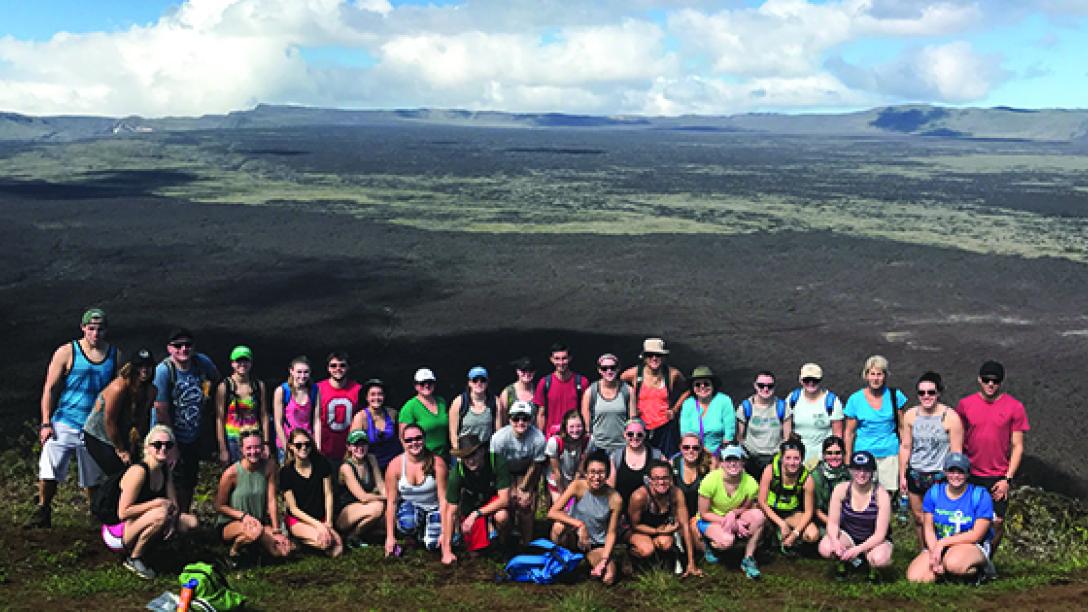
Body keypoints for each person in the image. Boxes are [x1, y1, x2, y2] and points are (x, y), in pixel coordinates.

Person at [29, 308, 118, 528]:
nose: (95, 334)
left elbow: (119, 391)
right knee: (50, 468)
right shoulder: (67, 352)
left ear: (106, 330)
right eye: (91, 329)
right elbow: (50, 387)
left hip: (94, 425)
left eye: (99, 329)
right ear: (83, 328)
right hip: (65, 421)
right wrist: (46, 422)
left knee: (92, 476)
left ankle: (96, 514)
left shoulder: (114, 354)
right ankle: (43, 509)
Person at [955, 360, 1028, 558]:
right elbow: (957, 438)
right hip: (970, 474)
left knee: (997, 522)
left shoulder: (1015, 407)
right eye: (986, 380)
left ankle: (987, 561)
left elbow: (1018, 446)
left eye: (995, 381)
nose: (990, 384)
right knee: (968, 520)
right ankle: (966, 560)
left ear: (1001, 383)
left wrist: (1007, 479)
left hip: (997, 476)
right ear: (979, 380)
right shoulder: (965, 405)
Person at [113, 425, 198, 579]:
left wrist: (172, 523)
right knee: (161, 514)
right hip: (118, 530)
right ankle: (134, 557)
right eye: (157, 445)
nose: (163, 449)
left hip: (142, 520)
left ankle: (157, 549)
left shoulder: (164, 469)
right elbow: (123, 512)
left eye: (168, 445)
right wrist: (156, 503)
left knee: (190, 522)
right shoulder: (139, 472)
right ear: (147, 448)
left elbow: (174, 504)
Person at [153, 328, 220, 514]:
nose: (183, 349)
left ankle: (183, 516)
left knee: (188, 479)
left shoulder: (202, 363)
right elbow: (161, 409)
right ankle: (164, 518)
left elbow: (217, 380)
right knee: (166, 479)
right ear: (169, 348)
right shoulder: (164, 371)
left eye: (188, 345)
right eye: (178, 346)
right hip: (167, 436)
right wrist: (170, 445)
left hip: (193, 432)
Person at [906, 452, 995, 584]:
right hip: (939, 544)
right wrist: (935, 550)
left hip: (970, 544)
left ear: (968, 474)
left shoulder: (980, 495)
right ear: (945, 472)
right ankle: (945, 575)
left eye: (960, 472)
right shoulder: (934, 493)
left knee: (954, 563)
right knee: (915, 578)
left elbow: (977, 534)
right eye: (951, 471)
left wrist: (943, 543)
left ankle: (978, 573)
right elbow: (929, 528)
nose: (956, 476)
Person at [898, 371, 964, 547]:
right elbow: (905, 446)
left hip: (939, 475)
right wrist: (902, 475)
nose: (926, 396)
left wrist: (954, 479)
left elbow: (956, 453)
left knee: (937, 519)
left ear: (938, 393)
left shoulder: (951, 418)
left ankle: (940, 551)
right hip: (915, 472)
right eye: (922, 393)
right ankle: (923, 552)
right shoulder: (911, 415)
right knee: (919, 518)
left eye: (931, 392)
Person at [215, 429, 293, 566]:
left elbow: (271, 500)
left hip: (259, 522)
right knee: (255, 531)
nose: (253, 452)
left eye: (257, 447)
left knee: (283, 551)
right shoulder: (231, 473)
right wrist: (243, 516)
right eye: (249, 448)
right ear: (242, 450)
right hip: (232, 523)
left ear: (263, 447)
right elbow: (219, 505)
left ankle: (253, 549)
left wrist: (276, 530)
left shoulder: (269, 466)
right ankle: (234, 551)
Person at [547, 450, 623, 585]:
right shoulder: (578, 486)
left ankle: (590, 563)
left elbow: (611, 532)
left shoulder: (615, 498)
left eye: (601, 472)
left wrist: (604, 559)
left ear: (607, 474)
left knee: (609, 578)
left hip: (595, 543)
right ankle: (560, 559)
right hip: (574, 535)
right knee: (558, 527)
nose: (596, 477)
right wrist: (580, 525)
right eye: (592, 472)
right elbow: (553, 512)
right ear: (586, 473)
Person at [383, 423, 454, 564]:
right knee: (408, 521)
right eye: (409, 440)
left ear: (424, 439)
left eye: (418, 438)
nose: (414, 443)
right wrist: (390, 537)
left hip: (434, 508)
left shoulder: (437, 463)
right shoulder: (395, 465)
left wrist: (446, 540)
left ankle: (426, 533)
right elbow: (391, 502)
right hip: (410, 509)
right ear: (402, 442)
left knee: (433, 545)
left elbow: (444, 501)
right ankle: (413, 535)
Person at [819, 450, 893, 582]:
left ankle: (873, 571)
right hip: (849, 535)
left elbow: (880, 535)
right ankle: (842, 564)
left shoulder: (881, 495)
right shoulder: (841, 489)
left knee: (879, 559)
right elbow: (833, 523)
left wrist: (858, 550)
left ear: (873, 472)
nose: (862, 474)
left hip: (874, 539)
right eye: (857, 469)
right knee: (826, 548)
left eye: (866, 470)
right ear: (850, 470)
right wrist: (836, 543)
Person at [83, 348, 156, 479]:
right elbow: (109, 421)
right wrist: (121, 450)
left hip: (123, 434)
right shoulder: (119, 387)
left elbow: (143, 418)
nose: (144, 370)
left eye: (148, 366)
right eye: (140, 366)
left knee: (136, 471)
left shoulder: (151, 391)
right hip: (99, 435)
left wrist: (138, 442)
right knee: (118, 475)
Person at [696, 445, 765, 579]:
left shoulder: (751, 483)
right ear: (721, 463)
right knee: (727, 541)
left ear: (742, 462)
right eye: (728, 460)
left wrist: (734, 513)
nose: (732, 464)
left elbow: (748, 507)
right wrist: (728, 522)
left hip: (734, 517)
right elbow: (704, 513)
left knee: (759, 515)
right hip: (711, 519)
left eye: (736, 460)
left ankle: (748, 558)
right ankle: (708, 544)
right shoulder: (709, 481)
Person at [843, 355, 907, 497]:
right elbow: (849, 432)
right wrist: (847, 458)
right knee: (863, 494)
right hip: (863, 453)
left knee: (888, 496)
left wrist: (905, 452)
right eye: (872, 374)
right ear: (866, 376)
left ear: (885, 376)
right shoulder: (855, 400)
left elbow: (903, 427)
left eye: (880, 374)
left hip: (890, 453)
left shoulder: (895, 396)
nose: (876, 378)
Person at [626, 460, 701, 577]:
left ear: (671, 478)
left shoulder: (676, 493)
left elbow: (685, 526)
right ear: (649, 480)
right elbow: (634, 525)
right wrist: (657, 531)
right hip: (639, 531)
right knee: (646, 549)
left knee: (666, 543)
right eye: (656, 478)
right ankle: (631, 558)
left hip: (662, 530)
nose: (661, 482)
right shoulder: (640, 496)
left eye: (665, 478)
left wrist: (691, 562)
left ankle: (663, 559)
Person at [490, 400, 547, 546]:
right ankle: (503, 542)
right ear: (509, 419)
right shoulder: (499, 438)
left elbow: (536, 465)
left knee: (525, 504)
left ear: (531, 419)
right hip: (504, 473)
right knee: (506, 505)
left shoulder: (538, 438)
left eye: (525, 418)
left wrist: (524, 488)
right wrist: (510, 488)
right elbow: (496, 467)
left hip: (526, 472)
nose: (520, 422)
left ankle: (527, 543)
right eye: (516, 418)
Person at [445, 434, 512, 555]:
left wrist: (476, 514)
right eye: (466, 457)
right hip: (471, 504)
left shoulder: (497, 461)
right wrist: (447, 549)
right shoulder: (456, 474)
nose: (470, 461)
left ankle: (503, 545)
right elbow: (450, 510)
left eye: (473, 455)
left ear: (482, 451)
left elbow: (504, 499)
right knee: (475, 553)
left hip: (493, 502)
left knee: (502, 516)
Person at [280, 428, 342, 557]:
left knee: (338, 549)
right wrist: (318, 525)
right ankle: (302, 541)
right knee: (326, 543)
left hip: (321, 516)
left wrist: (328, 522)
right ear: (291, 447)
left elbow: (328, 494)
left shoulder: (321, 463)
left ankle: (303, 545)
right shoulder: (285, 473)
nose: (304, 448)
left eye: (307, 444)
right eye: (298, 445)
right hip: (298, 519)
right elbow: (293, 508)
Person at [621, 338, 685, 457]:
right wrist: (630, 408)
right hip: (641, 428)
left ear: (663, 357)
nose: (654, 358)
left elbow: (687, 390)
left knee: (665, 461)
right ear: (644, 357)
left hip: (664, 428)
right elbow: (616, 387)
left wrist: (675, 409)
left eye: (658, 355)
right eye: (650, 355)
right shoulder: (634, 374)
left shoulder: (672, 374)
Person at [758, 439, 817, 554]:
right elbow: (761, 501)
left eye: (796, 458)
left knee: (813, 535)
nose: (792, 463)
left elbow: (809, 512)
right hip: (768, 511)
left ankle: (787, 540)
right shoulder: (770, 470)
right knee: (757, 521)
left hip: (790, 513)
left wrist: (795, 533)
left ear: (802, 459)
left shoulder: (807, 479)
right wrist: (781, 524)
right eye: (788, 458)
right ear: (781, 458)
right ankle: (774, 536)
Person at [215, 345, 268, 467]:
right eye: (238, 361)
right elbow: (219, 418)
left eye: (246, 360)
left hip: (254, 437)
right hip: (233, 440)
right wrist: (223, 449)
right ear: (232, 363)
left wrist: (265, 443)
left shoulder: (258, 386)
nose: (242, 364)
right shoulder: (225, 387)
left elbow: (264, 415)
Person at [335, 430, 386, 548]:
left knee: (388, 516)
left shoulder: (371, 459)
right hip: (346, 513)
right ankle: (352, 536)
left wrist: (389, 498)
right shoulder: (346, 467)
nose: (360, 448)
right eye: (356, 445)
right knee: (377, 508)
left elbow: (381, 485)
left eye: (363, 444)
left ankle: (365, 534)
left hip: (365, 507)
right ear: (348, 447)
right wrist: (385, 497)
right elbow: (362, 497)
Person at [737, 370, 792, 479]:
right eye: (761, 385)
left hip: (775, 457)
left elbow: (787, 437)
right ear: (755, 386)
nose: (765, 389)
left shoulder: (782, 407)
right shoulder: (746, 407)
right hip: (752, 459)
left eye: (769, 386)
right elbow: (739, 436)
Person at [786, 363, 844, 465]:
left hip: (822, 459)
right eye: (807, 380)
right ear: (800, 380)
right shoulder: (792, 398)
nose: (811, 383)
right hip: (797, 458)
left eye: (815, 380)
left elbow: (837, 436)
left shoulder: (832, 401)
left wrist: (833, 458)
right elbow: (786, 430)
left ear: (820, 379)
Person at [315, 351, 362, 470]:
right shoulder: (317, 389)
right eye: (333, 365)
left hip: (351, 451)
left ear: (348, 367)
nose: (338, 369)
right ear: (328, 368)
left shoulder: (358, 389)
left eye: (342, 365)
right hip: (325, 449)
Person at [674, 366, 735, 455]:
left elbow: (729, 433)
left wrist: (717, 455)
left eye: (706, 384)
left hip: (719, 453)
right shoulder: (688, 404)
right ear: (693, 388)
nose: (702, 387)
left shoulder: (724, 401)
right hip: (694, 453)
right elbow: (685, 434)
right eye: (698, 384)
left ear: (713, 385)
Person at [608, 418, 664, 512]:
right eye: (630, 434)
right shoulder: (615, 456)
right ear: (624, 434)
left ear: (645, 435)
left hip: (648, 511)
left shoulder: (656, 456)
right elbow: (610, 488)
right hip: (621, 512)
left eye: (639, 434)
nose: (635, 437)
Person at [581, 353, 632, 453]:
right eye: (604, 368)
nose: (609, 371)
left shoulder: (628, 390)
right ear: (599, 370)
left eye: (613, 367)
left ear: (618, 369)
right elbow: (587, 427)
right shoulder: (590, 392)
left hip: (622, 446)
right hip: (597, 446)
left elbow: (632, 421)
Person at [535, 343, 589, 437]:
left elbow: (586, 411)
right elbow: (541, 414)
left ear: (570, 358)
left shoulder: (582, 382)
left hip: (575, 437)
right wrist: (540, 438)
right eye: (557, 359)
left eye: (564, 358)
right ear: (551, 360)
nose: (561, 362)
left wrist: (586, 434)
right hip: (552, 438)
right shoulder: (544, 383)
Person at [349, 379, 402, 472]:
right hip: (371, 466)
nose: (376, 398)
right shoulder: (360, 417)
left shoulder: (393, 413)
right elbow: (353, 446)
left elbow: (402, 438)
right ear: (367, 397)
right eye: (372, 394)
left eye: (380, 394)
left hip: (394, 463)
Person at [273, 356, 317, 463]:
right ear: (291, 371)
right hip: (287, 441)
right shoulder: (282, 391)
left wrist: (317, 445)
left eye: (306, 372)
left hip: (306, 444)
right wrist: (287, 448)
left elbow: (317, 420)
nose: (302, 376)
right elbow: (278, 423)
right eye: (299, 372)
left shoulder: (314, 390)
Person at [399, 368, 450, 459]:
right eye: (422, 383)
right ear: (416, 386)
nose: (426, 385)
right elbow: (403, 438)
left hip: (445, 455)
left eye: (430, 382)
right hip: (423, 458)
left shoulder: (441, 402)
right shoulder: (409, 407)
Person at [546, 409, 594, 506]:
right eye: (571, 427)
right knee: (561, 509)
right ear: (565, 427)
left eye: (579, 426)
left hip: (575, 478)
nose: (575, 430)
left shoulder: (589, 440)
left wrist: (572, 490)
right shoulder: (554, 442)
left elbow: (580, 469)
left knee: (576, 508)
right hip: (557, 481)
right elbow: (556, 472)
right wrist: (563, 494)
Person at [448, 366, 498, 452]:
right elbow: (453, 433)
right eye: (475, 380)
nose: (479, 383)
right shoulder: (459, 402)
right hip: (464, 451)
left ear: (487, 382)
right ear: (469, 383)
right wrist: (459, 453)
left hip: (486, 451)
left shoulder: (495, 402)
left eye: (483, 380)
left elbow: (498, 432)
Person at [672, 433, 713, 537]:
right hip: (678, 516)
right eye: (686, 447)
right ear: (680, 448)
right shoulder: (673, 465)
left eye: (695, 448)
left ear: (700, 450)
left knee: (696, 531)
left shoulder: (707, 467)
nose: (691, 451)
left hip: (700, 515)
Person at [811, 436, 850, 531]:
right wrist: (834, 525)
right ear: (823, 455)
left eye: (838, 453)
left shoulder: (850, 474)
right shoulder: (816, 475)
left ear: (844, 454)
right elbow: (816, 510)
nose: (834, 456)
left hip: (847, 520)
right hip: (823, 521)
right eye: (829, 453)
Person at [498, 356, 537, 427]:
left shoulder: (538, 391)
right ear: (517, 371)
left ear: (534, 372)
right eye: (523, 370)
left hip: (533, 435)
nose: (527, 373)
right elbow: (502, 419)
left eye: (530, 370)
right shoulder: (508, 392)